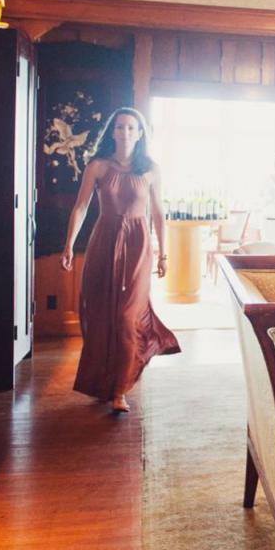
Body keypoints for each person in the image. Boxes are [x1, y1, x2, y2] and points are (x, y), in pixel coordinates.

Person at [61, 107, 181, 413]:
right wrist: (69, 245)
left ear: (139, 134)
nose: (125, 132)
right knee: (102, 315)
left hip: (138, 246)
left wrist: (164, 254)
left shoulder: (151, 169)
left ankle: (119, 390)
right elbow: (80, 207)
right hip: (104, 242)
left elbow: (158, 214)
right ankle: (103, 381)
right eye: (119, 127)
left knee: (128, 318)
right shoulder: (98, 166)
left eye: (131, 127)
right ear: (112, 132)